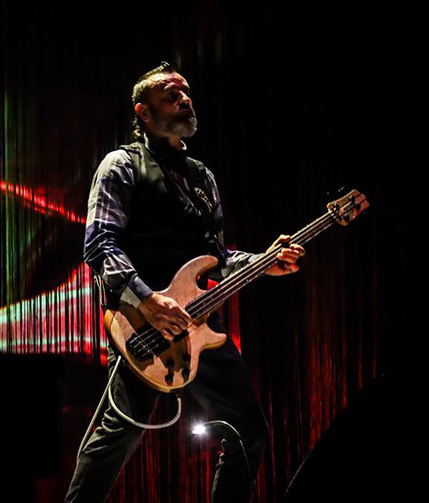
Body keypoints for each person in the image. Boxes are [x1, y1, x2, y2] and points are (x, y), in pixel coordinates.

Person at [66, 62, 305, 503]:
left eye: (187, 93)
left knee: (246, 430)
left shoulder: (203, 178)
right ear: (143, 111)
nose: (185, 100)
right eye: (171, 95)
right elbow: (100, 243)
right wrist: (148, 299)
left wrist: (265, 261)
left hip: (197, 327)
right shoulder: (121, 165)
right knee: (118, 437)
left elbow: (219, 257)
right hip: (144, 324)